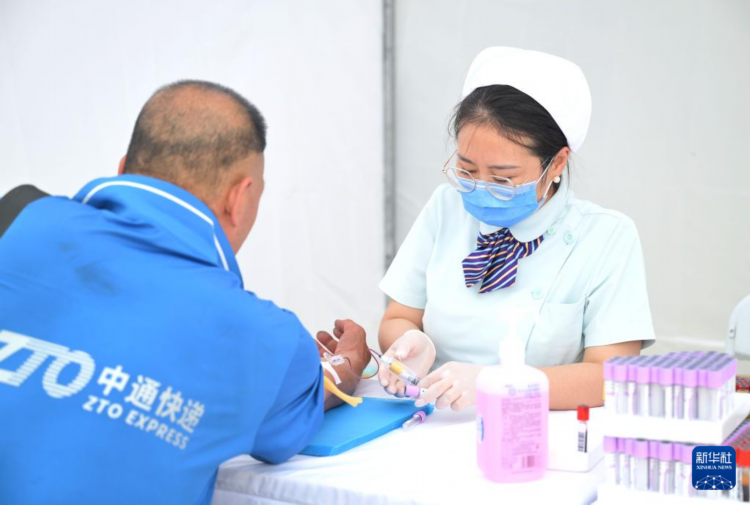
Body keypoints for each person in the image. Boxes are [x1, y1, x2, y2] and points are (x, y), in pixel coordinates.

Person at [0, 80, 370, 505]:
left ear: (123, 169)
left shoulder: (16, 220)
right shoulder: (262, 336)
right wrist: (347, 363)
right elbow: (309, 397)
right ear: (239, 198)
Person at [377, 47, 655, 411]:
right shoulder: (445, 208)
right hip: (434, 417)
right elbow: (398, 317)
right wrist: (412, 344)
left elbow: (610, 377)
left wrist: (499, 384)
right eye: (467, 170)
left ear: (557, 162)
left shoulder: (606, 237)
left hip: (537, 429)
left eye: (503, 178)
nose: (480, 187)